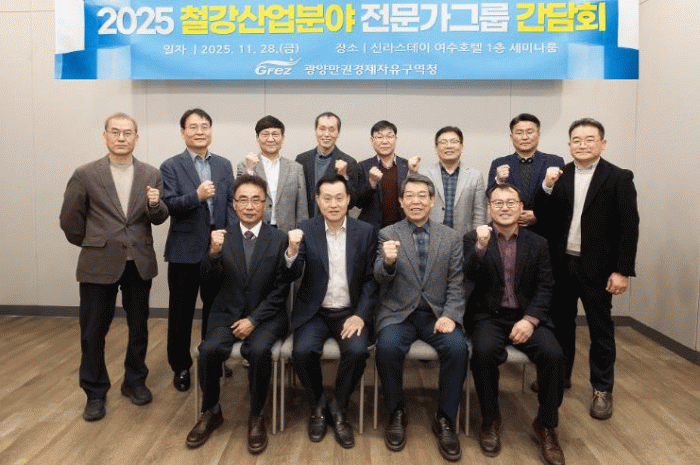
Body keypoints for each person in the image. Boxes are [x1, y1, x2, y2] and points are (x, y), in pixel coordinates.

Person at [60, 113, 169, 421]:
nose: (122, 138)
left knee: (139, 328)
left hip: (139, 262)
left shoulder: (151, 174)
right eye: (116, 132)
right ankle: (95, 392)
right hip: (98, 263)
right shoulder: (85, 174)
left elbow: (159, 217)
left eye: (128, 133)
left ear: (137, 138)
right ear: (105, 136)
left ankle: (134, 381)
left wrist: (154, 204)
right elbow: (69, 220)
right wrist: (95, 243)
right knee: (93, 331)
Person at [534, 118, 639, 420]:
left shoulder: (618, 178)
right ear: (569, 145)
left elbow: (629, 227)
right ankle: (561, 376)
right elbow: (542, 215)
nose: (582, 145)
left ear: (603, 144)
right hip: (562, 264)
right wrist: (546, 186)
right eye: (576, 140)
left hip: (598, 269)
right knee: (561, 325)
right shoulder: (561, 175)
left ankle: (602, 389)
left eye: (589, 139)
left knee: (600, 330)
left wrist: (622, 270)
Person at [185, 175, 289, 454]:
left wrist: (254, 320)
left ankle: (256, 415)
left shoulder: (279, 239)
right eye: (243, 200)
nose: (249, 206)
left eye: (256, 200)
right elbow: (207, 281)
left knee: (258, 351)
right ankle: (211, 411)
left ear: (265, 204)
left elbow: (281, 290)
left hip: (266, 316)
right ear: (233, 204)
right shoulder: (221, 236)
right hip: (226, 313)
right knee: (208, 350)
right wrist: (213, 254)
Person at [465, 184, 565, 465]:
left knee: (554, 355)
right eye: (498, 203)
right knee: (483, 352)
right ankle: (490, 419)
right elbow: (467, 276)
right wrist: (480, 248)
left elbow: (546, 286)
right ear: (489, 209)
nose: (505, 208)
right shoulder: (474, 238)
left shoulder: (538, 242)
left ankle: (546, 425)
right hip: (488, 316)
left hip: (527, 315)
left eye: (511, 202)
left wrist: (530, 320)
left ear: (521, 207)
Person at [374, 174, 468, 462]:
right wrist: (388, 262)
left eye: (422, 196)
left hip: (436, 315)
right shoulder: (387, 234)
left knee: (457, 349)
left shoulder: (451, 237)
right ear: (401, 202)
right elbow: (379, 277)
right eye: (409, 196)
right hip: (399, 313)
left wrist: (450, 315)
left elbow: (457, 283)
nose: (415, 201)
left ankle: (445, 419)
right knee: (386, 348)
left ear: (432, 200)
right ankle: (396, 412)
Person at [285, 174, 378, 449]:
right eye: (327, 198)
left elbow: (372, 279)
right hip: (315, 312)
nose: (333, 204)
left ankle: (339, 407)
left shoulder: (365, 231)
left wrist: (360, 315)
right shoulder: (306, 229)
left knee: (357, 351)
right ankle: (317, 406)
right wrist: (291, 251)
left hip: (350, 312)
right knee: (302, 351)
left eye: (339, 198)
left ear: (349, 199)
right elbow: (292, 273)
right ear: (318, 201)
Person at [160, 108, 236, 392]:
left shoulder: (224, 165)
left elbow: (231, 202)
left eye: (205, 126)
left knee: (216, 310)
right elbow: (168, 205)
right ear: (183, 133)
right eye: (193, 127)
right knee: (181, 313)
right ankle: (181, 367)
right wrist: (197, 196)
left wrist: (228, 235)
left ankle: (213, 359)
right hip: (185, 251)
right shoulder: (171, 166)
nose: (200, 131)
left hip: (218, 248)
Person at [487, 113, 565, 236]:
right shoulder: (499, 163)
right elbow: (489, 196)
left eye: (530, 132)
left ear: (538, 134)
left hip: (545, 231)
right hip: (508, 232)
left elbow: (561, 200)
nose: (525, 137)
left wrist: (538, 215)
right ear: (511, 136)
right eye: (519, 133)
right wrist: (499, 180)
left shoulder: (555, 162)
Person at [237, 115, 307, 232]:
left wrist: (301, 232)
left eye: (275, 134)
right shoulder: (245, 165)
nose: (270, 139)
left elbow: (302, 209)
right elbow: (239, 198)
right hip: (255, 231)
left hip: (286, 232)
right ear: (257, 138)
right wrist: (250, 171)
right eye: (265, 134)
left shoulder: (296, 168)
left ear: (283, 138)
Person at [422, 125, 487, 236]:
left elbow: (479, 212)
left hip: (464, 237)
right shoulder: (424, 175)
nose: (449, 146)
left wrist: (476, 239)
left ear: (462, 147)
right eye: (443, 142)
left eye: (454, 142)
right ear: (436, 148)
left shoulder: (475, 176)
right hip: (431, 237)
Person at [356, 120, 419, 232]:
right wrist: (371, 183)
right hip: (371, 231)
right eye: (379, 137)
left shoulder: (407, 165)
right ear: (372, 140)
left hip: (402, 230)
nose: (385, 141)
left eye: (389, 136)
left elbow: (416, 197)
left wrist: (414, 174)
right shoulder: (363, 166)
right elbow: (358, 203)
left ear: (395, 139)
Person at [295, 111, 358, 217]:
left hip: (335, 222)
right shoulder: (302, 160)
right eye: (322, 129)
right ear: (315, 131)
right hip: (307, 221)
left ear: (338, 133)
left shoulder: (349, 162)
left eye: (331, 130)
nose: (326, 134)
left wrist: (344, 176)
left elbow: (352, 203)